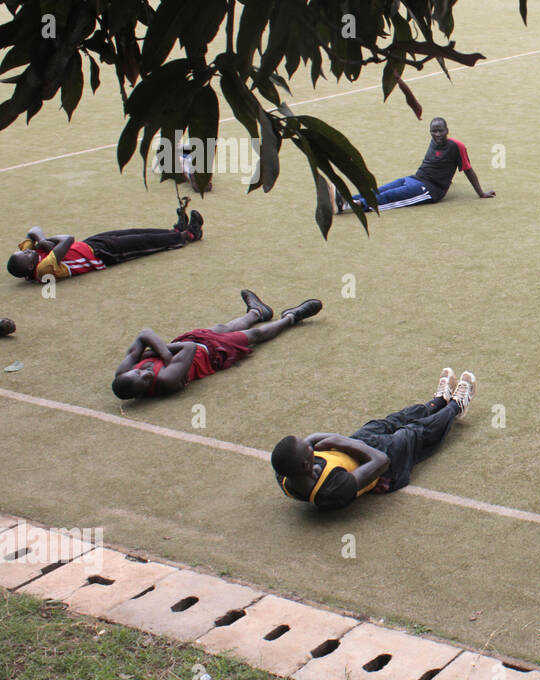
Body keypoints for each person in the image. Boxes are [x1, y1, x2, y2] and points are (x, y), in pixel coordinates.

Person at [272, 368, 476, 511]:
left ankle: (439, 401)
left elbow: (313, 438)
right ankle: (456, 406)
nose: (311, 446)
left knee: (393, 420)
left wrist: (343, 442)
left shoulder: (285, 473)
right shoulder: (332, 489)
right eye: (309, 451)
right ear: (305, 465)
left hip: (357, 445)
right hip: (384, 467)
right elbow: (380, 460)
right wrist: (338, 441)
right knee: (413, 432)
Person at [111, 291, 322, 399]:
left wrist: (161, 352)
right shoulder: (166, 380)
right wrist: (160, 352)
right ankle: (292, 317)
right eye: (144, 381)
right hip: (210, 355)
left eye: (138, 373)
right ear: (142, 393)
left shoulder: (124, 370)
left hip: (187, 342)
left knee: (223, 326)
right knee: (254, 335)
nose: (145, 374)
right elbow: (189, 349)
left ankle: (258, 312)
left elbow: (144, 333)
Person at [341, 117, 493, 212]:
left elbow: (468, 170)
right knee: (379, 189)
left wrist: (481, 193)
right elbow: (439, 164)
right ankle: (346, 200)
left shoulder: (456, 146)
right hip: (414, 178)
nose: (437, 134)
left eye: (440, 131)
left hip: (429, 190)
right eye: (434, 131)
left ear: (447, 130)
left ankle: (358, 205)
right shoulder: (433, 142)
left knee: (390, 197)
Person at [7, 210, 201, 282]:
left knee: (134, 232)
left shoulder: (33, 256)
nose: (27, 251)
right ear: (30, 267)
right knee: (142, 243)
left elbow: (34, 229)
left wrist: (42, 242)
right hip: (101, 256)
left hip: (90, 244)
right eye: (25, 255)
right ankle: (188, 235)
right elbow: (67, 239)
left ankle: (175, 231)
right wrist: (43, 242)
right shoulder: (43, 270)